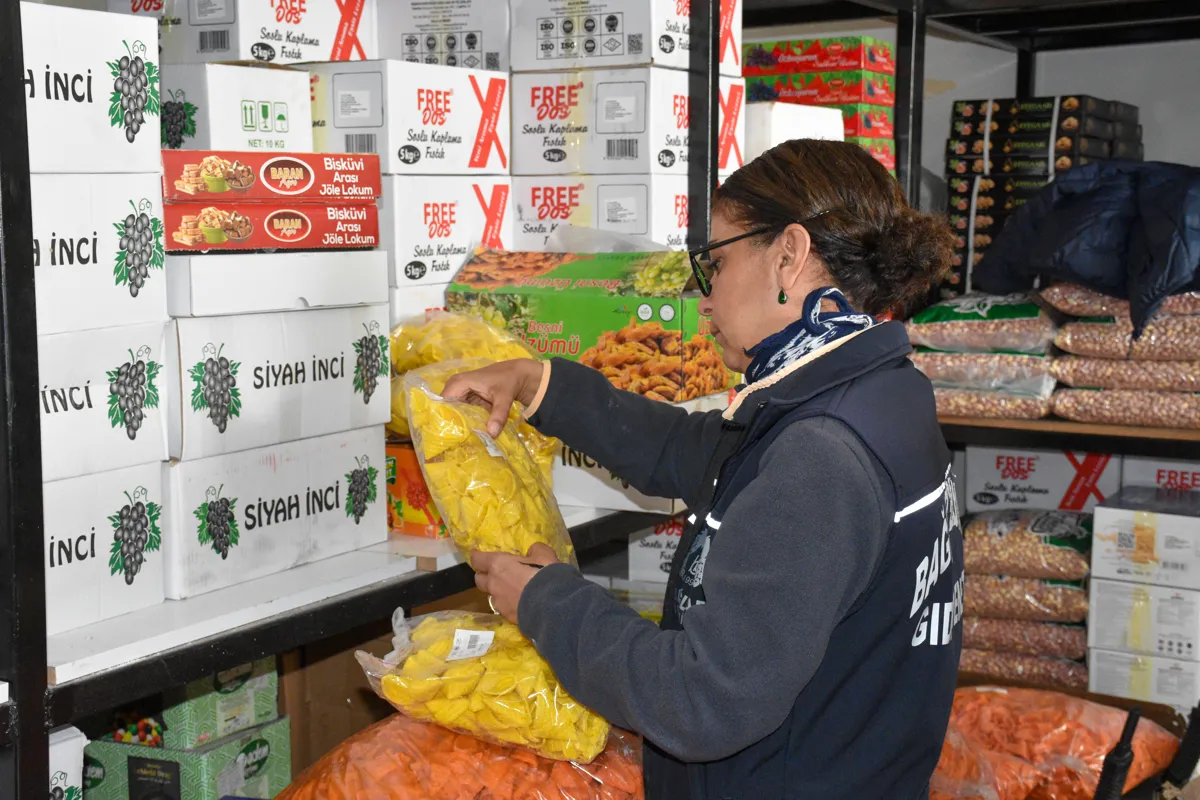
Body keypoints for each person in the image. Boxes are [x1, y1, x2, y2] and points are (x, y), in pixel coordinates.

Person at [444, 139, 963, 800]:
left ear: (789, 254)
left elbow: (701, 703)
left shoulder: (822, 453)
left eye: (714, 262)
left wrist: (547, 602)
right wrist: (541, 384)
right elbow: (703, 454)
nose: (704, 295)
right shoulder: (877, 390)